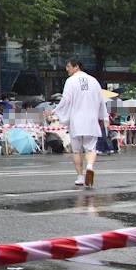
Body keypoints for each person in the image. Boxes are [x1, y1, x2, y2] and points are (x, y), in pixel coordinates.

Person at [53, 57, 108, 187]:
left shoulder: (71, 81)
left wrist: (56, 111)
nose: (67, 69)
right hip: (91, 119)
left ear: (76, 66)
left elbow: (66, 100)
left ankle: (80, 177)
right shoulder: (94, 81)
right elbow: (101, 101)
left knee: (77, 150)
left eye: (69, 66)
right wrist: (101, 117)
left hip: (76, 120)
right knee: (91, 148)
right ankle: (90, 166)